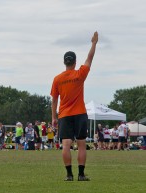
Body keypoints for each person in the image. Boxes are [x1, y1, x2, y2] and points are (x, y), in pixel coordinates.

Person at [51, 32, 98, 181]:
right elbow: (89, 59)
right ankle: (81, 175)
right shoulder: (80, 74)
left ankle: (69, 175)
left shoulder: (57, 79)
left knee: (66, 145)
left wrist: (53, 117)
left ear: (64, 62)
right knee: (82, 144)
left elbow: (54, 100)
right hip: (80, 113)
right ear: (75, 61)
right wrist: (94, 43)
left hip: (64, 115)